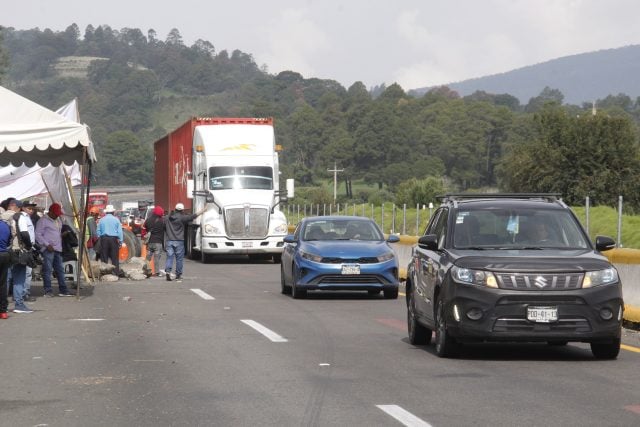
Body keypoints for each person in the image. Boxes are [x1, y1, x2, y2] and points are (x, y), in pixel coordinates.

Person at [35, 203, 73, 297]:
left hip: (58, 248)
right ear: (50, 212)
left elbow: (56, 232)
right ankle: (48, 290)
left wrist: (62, 235)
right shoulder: (43, 221)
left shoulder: (58, 220)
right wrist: (47, 245)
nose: (57, 215)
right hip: (48, 249)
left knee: (60, 270)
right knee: (47, 270)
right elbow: (37, 234)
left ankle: (63, 290)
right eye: (55, 213)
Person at [164, 202, 205, 282]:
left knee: (169, 257)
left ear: (175, 209)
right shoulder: (182, 218)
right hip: (179, 241)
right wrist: (203, 210)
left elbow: (163, 225)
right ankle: (178, 275)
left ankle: (168, 271)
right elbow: (193, 216)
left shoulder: (167, 217)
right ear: (182, 210)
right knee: (179, 259)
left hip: (169, 240)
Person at [9, 200, 35, 313]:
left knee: (6, 278)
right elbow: (24, 233)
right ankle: (19, 304)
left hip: (6, 250)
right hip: (18, 251)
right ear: (20, 208)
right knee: (19, 278)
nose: (31, 210)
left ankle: (3, 305)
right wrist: (29, 246)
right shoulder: (20, 217)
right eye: (28, 208)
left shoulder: (4, 216)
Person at [97, 204, 124, 278]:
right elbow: (120, 232)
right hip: (113, 239)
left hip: (104, 239)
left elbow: (98, 231)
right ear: (113, 212)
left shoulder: (102, 220)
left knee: (104, 256)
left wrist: (100, 237)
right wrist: (121, 241)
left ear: (106, 212)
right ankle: (115, 273)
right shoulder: (116, 219)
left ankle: (104, 273)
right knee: (114, 257)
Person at [143, 205, 166, 277]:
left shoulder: (148, 220)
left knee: (148, 258)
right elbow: (165, 229)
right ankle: (157, 272)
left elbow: (145, 228)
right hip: (158, 242)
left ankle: (145, 271)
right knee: (156, 258)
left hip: (150, 242)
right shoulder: (162, 221)